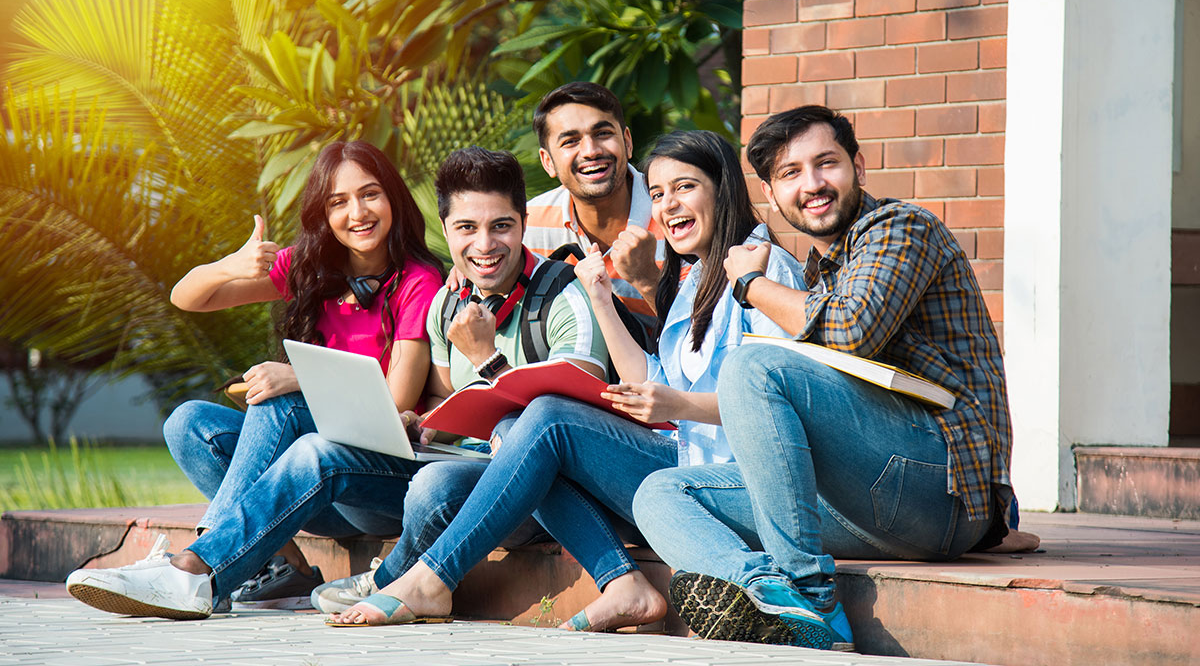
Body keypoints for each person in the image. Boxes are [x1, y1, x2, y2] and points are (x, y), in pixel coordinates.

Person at [328, 129, 806, 632]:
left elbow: (772, 403)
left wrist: (679, 405)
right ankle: (621, 583)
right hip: (680, 458)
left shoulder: (763, 271)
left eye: (685, 188)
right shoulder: (699, 277)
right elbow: (657, 383)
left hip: (723, 474)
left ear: (724, 187)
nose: (667, 206)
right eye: (659, 194)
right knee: (466, 465)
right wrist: (602, 297)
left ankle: (427, 580)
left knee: (541, 420)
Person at [634, 106, 1013, 652]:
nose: (811, 184)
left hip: (941, 489)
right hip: (868, 501)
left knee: (752, 363)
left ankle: (808, 589)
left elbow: (852, 329)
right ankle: (770, 595)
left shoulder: (903, 227)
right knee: (661, 493)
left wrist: (750, 285)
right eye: (790, 173)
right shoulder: (822, 268)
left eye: (825, 163)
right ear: (770, 192)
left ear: (858, 165)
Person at [65, 140, 459, 619]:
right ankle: (278, 567)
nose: (357, 212)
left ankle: (198, 566)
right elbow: (187, 297)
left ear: (393, 198)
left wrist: (298, 377)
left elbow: (397, 399)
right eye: (338, 202)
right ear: (323, 213)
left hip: (378, 484)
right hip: (307, 486)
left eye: (370, 194)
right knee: (188, 423)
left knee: (282, 403)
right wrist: (227, 267)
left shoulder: (417, 279)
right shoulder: (313, 268)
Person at [524, 81, 663, 323]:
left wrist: (648, 281)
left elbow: (707, 334)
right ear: (548, 162)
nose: (590, 151)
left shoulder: (674, 213)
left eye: (603, 134)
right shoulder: (528, 224)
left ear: (627, 142)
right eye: (570, 141)